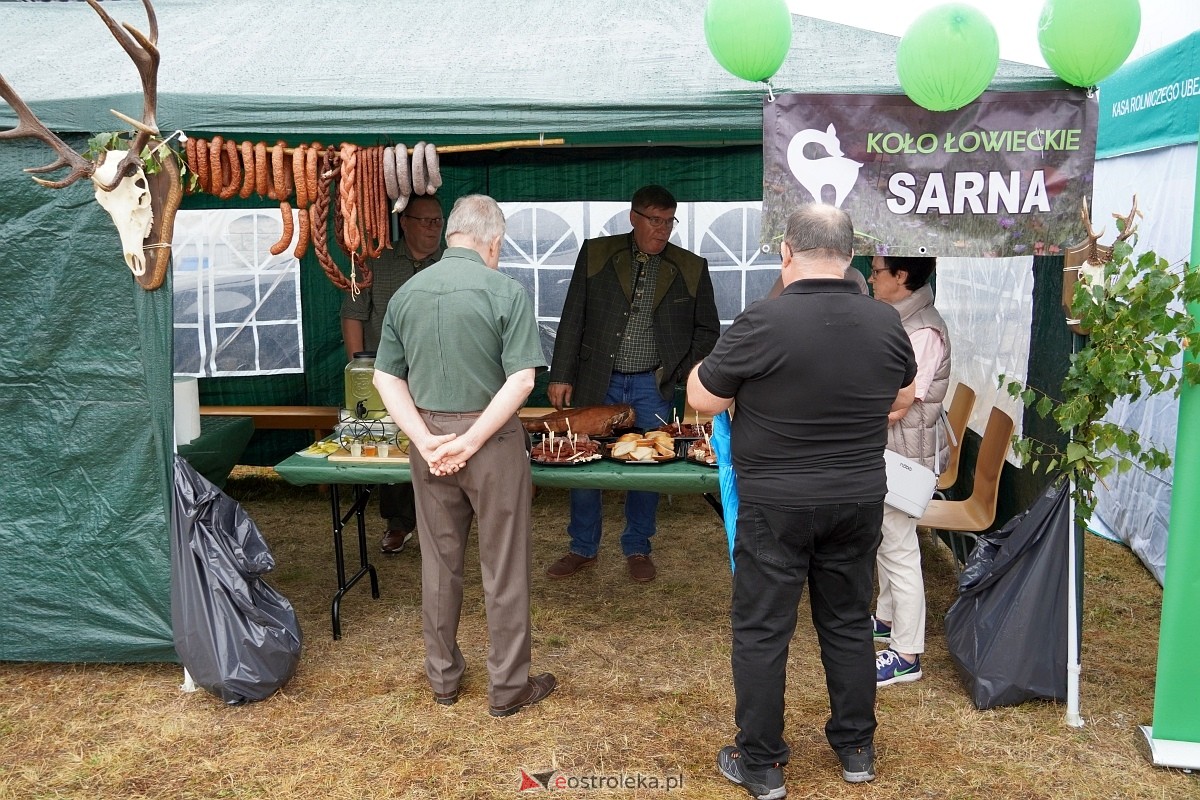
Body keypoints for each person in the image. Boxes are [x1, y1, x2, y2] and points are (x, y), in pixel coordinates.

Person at [687, 203, 916, 794]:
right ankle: (856, 748)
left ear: (786, 251)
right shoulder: (885, 322)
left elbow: (704, 400)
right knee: (847, 624)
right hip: (858, 499)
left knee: (763, 631)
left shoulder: (762, 322)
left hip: (777, 505)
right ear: (850, 257)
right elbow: (904, 394)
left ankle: (761, 764)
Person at [372, 194, 556, 717]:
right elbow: (522, 379)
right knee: (504, 566)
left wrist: (426, 439)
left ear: (451, 233)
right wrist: (471, 440)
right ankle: (507, 688)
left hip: (428, 437)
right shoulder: (505, 290)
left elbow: (386, 374)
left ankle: (444, 679)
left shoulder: (406, 292)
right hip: (491, 440)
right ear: (493, 240)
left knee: (439, 563)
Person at [545, 185, 720, 583]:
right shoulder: (596, 253)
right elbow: (573, 315)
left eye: (669, 222)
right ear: (633, 218)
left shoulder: (692, 266)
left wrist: (680, 371)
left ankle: (638, 547)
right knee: (583, 460)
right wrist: (560, 373)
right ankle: (582, 547)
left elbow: (707, 330)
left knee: (650, 464)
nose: (662, 230)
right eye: (654, 221)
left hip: (650, 383)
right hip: (596, 378)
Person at [340, 195, 445, 554]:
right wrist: (360, 370)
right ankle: (398, 523)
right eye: (425, 221)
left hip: (439, 372)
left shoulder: (451, 262)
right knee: (392, 445)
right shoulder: (374, 260)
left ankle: (440, 521)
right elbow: (353, 314)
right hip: (387, 373)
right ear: (404, 222)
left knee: (439, 442)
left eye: (438, 221)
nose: (434, 228)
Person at [867, 255, 951, 687]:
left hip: (905, 457)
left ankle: (906, 653)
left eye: (878, 270)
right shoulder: (905, 321)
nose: (871, 276)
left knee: (899, 550)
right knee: (887, 541)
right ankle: (885, 621)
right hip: (897, 452)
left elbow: (896, 407)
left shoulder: (922, 331)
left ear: (901, 276)